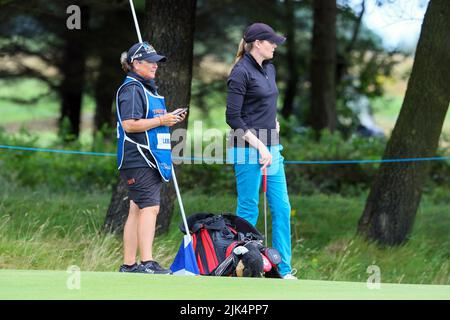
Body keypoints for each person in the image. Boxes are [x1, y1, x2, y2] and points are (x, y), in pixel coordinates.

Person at [226, 23, 297, 279]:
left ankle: (282, 269)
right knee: (248, 209)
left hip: (272, 146)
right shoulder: (240, 72)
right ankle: (246, 268)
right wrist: (260, 146)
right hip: (246, 148)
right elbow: (233, 118)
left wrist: (272, 124)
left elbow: (264, 104)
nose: (275, 45)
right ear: (257, 43)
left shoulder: (270, 68)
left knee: (281, 208)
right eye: (272, 41)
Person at [116, 41, 187, 274]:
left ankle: (129, 265)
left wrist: (167, 117)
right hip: (138, 157)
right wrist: (161, 121)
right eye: (151, 62)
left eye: (157, 62)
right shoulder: (132, 89)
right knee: (151, 207)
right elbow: (129, 125)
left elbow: (146, 120)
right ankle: (147, 262)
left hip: (148, 157)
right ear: (136, 64)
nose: (156, 66)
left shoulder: (146, 88)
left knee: (137, 208)